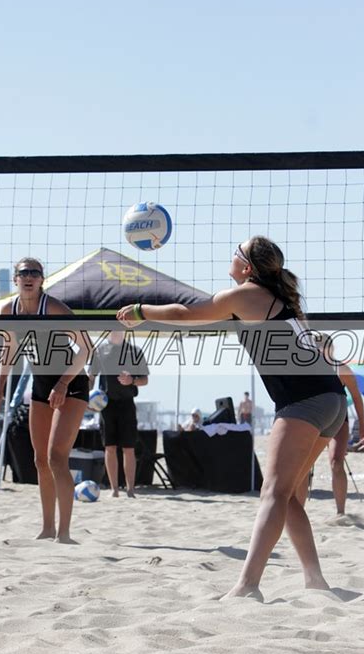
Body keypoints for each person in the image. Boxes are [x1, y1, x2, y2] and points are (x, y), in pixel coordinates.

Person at [117, 235, 347, 600]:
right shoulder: (276, 299)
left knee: (273, 493)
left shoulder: (244, 294)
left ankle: (247, 586)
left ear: (248, 266)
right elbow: (198, 320)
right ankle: (314, 580)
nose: (231, 255)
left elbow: (183, 314)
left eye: (236, 251)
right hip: (332, 398)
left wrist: (142, 311)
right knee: (285, 497)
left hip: (305, 401)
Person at [0, 258, 90, 543]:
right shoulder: (9, 310)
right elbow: (8, 352)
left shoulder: (54, 308)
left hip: (71, 382)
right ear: (16, 280)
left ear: (43, 279)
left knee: (58, 457)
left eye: (35, 273)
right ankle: (47, 528)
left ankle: (65, 533)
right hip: (42, 384)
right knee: (40, 459)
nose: (29, 277)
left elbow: (86, 348)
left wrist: (62, 383)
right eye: (24, 273)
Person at [295, 334, 364, 515]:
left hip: (337, 419)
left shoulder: (341, 368)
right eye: (316, 347)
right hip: (312, 419)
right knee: (302, 467)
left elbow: (357, 397)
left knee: (336, 462)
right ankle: (299, 512)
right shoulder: (306, 368)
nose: (319, 350)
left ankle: (340, 512)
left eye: (322, 347)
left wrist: (363, 425)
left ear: (331, 349)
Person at [88, 330, 149, 498]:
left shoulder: (135, 351)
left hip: (127, 403)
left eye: (119, 330)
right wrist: (87, 398)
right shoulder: (100, 351)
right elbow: (91, 376)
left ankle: (130, 489)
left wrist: (132, 380)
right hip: (106, 404)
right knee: (109, 447)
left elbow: (145, 380)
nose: (116, 332)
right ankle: (114, 490)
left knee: (128, 448)